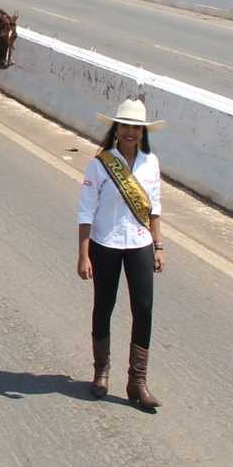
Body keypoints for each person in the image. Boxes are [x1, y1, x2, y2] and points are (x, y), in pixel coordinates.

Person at [77, 99, 166, 410]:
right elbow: (86, 212)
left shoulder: (151, 163)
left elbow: (154, 208)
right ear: (116, 129)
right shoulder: (99, 164)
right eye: (125, 126)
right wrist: (83, 254)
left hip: (140, 243)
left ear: (142, 132)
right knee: (104, 306)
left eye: (136, 128)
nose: (130, 132)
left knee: (144, 308)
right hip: (105, 244)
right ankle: (101, 371)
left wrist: (159, 245)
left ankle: (137, 381)